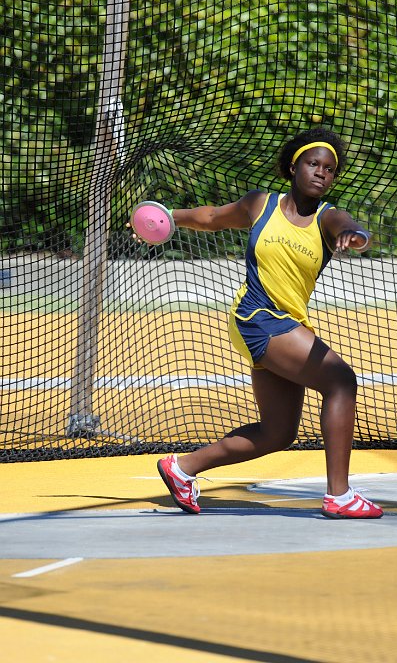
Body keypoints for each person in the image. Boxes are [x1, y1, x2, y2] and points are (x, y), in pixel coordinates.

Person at [156, 127, 383, 519]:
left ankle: (182, 468)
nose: (321, 173)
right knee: (341, 381)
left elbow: (351, 226)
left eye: (330, 169)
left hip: (288, 324)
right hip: (256, 317)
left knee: (278, 433)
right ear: (294, 166)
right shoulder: (261, 203)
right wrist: (167, 217)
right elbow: (211, 217)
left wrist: (354, 235)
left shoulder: (327, 219)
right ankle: (340, 495)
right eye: (313, 163)